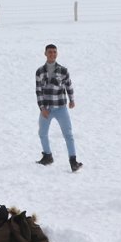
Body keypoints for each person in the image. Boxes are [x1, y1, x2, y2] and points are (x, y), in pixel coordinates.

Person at [35, 43, 82, 172]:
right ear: (45, 54)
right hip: (47, 109)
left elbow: (69, 86)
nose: (52, 54)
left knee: (68, 134)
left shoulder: (63, 70)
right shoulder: (39, 72)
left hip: (61, 108)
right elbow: (38, 91)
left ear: (57, 54)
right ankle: (47, 156)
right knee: (42, 133)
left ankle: (73, 161)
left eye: (54, 52)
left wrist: (72, 100)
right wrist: (42, 108)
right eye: (49, 52)